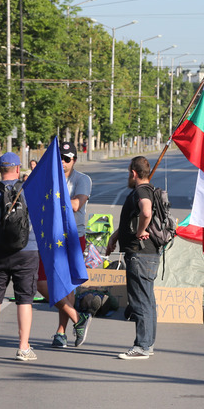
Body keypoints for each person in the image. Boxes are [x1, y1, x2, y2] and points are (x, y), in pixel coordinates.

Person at [0, 152, 39, 362]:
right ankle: (23, 348)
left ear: (0, 169)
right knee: (24, 300)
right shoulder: (30, 190)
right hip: (26, 251)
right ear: (18, 169)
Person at [38, 142, 93, 349]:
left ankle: (61, 333)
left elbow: (77, 204)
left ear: (74, 160)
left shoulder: (81, 179)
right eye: (60, 158)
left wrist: (51, 197)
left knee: (68, 284)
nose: (63, 162)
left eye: (67, 158)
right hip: (49, 235)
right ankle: (77, 317)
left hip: (72, 236)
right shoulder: (48, 179)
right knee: (40, 281)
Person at [105, 156, 160, 360]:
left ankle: (142, 346)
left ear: (134, 173)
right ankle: (148, 344)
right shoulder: (149, 189)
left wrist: (140, 231)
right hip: (148, 254)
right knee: (148, 301)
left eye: (129, 172)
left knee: (140, 302)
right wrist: (116, 236)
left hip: (140, 255)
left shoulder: (141, 191)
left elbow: (146, 211)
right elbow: (132, 219)